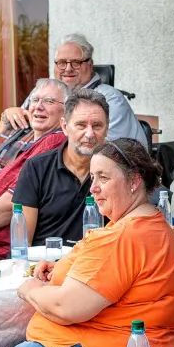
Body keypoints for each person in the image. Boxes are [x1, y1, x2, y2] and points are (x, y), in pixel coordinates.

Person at [0, 139, 174, 347]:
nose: (94, 188)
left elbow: (66, 307)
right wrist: (61, 269)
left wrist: (29, 289)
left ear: (134, 181)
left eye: (103, 177)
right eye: (92, 177)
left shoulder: (123, 236)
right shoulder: (151, 224)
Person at [0, 78, 67, 260]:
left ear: (66, 112)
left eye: (49, 101)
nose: (38, 106)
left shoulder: (53, 141)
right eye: (35, 100)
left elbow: (16, 200)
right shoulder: (28, 134)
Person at [0, 34, 143, 147]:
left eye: (76, 62)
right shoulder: (44, 91)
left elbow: (97, 151)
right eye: (61, 63)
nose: (68, 69)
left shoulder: (110, 99)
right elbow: (4, 141)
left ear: (90, 64)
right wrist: (8, 115)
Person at [12, 89, 107, 252]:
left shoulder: (116, 171)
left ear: (107, 129)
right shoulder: (36, 168)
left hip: (93, 267)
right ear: (64, 126)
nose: (90, 134)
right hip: (43, 268)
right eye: (81, 125)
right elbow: (21, 244)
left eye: (97, 125)